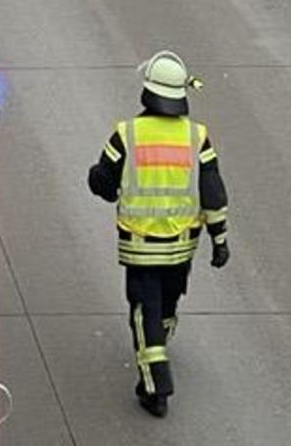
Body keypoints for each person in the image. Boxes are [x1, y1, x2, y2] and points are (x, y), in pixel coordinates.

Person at [87, 51, 230, 419]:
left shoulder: (127, 134)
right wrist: (220, 240)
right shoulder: (197, 136)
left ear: (148, 90)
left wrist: (97, 180)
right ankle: (158, 348)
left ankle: (156, 386)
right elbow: (213, 192)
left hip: (140, 245)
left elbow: (103, 182)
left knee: (143, 312)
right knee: (166, 306)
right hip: (183, 247)